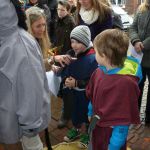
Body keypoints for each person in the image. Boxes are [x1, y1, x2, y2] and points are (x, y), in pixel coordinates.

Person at [0, 0, 50, 150]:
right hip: (8, 116)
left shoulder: (19, 45)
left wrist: (30, 131)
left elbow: (31, 91)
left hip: (18, 125)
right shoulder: (6, 39)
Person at [86, 29, 141, 150]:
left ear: (104, 55)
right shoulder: (98, 71)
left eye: (96, 51)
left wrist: (114, 146)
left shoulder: (126, 84)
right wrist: (90, 111)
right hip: (97, 127)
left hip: (110, 135)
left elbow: (122, 123)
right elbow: (92, 95)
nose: (94, 54)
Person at [58, 25, 97, 146]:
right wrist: (65, 79)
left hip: (86, 95)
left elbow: (94, 80)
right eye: (72, 41)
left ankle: (88, 134)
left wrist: (77, 83)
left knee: (87, 114)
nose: (74, 45)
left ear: (86, 41)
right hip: (73, 93)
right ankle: (76, 129)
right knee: (75, 112)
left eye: (78, 42)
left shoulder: (93, 58)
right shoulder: (71, 54)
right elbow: (65, 70)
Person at [25, 6, 72, 71]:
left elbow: (43, 61)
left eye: (44, 24)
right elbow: (34, 66)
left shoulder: (41, 39)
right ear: (29, 27)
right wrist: (53, 59)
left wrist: (51, 66)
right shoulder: (24, 44)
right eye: (38, 26)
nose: (42, 29)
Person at [129, 0, 150, 125]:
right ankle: (134, 113)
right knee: (136, 86)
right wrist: (136, 41)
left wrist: (143, 44)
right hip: (138, 58)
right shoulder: (141, 9)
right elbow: (132, 27)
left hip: (145, 52)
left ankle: (148, 118)